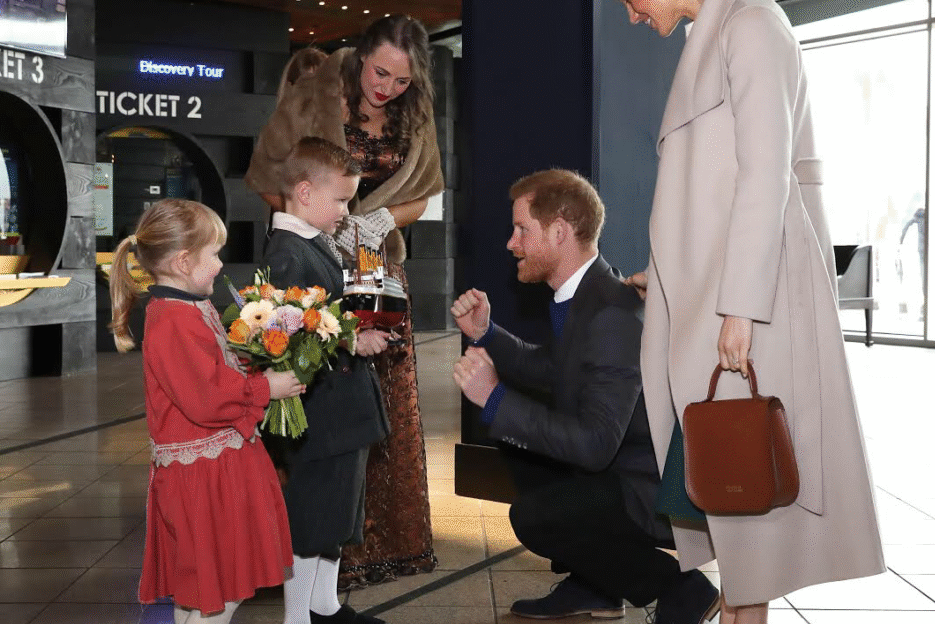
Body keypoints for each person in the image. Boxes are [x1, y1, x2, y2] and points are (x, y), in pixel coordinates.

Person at [619, 0, 886, 622]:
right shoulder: (716, 32)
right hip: (714, 300)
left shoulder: (752, 24)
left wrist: (740, 306)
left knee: (746, 493)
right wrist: (664, 280)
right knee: (735, 508)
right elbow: (715, 188)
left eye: (629, 0)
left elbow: (768, 175)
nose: (631, 16)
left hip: (745, 307)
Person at [451, 169, 719, 624]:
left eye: (522, 230)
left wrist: (494, 396)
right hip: (617, 465)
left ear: (559, 232)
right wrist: (486, 334)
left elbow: (594, 448)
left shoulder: (610, 316)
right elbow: (553, 368)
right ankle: (595, 584)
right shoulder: (589, 291)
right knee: (516, 447)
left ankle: (681, 588)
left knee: (533, 517)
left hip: (645, 487)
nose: (511, 244)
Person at [246, 13, 445, 589]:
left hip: (380, 274)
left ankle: (382, 551)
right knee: (326, 410)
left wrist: (377, 221)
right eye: (379, 73)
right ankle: (309, 565)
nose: (386, 88)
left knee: (378, 414)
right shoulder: (314, 94)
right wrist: (317, 226)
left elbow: (424, 192)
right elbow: (267, 173)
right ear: (360, 57)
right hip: (317, 271)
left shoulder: (417, 112)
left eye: (401, 82)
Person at [107, 198, 306, 624]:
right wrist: (264, 388)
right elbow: (205, 397)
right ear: (182, 262)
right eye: (213, 254)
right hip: (204, 474)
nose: (219, 264)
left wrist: (251, 359)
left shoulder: (187, 306)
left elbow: (212, 369)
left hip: (216, 465)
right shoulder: (173, 318)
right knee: (217, 593)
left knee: (203, 594)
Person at [261, 137, 394, 624]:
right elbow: (290, 334)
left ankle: (324, 604)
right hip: (321, 413)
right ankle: (298, 617)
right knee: (314, 517)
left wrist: (358, 323)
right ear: (304, 192)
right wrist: (349, 340)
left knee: (339, 512)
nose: (345, 210)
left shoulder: (310, 242)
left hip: (342, 408)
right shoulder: (288, 253)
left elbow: (326, 312)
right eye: (340, 199)